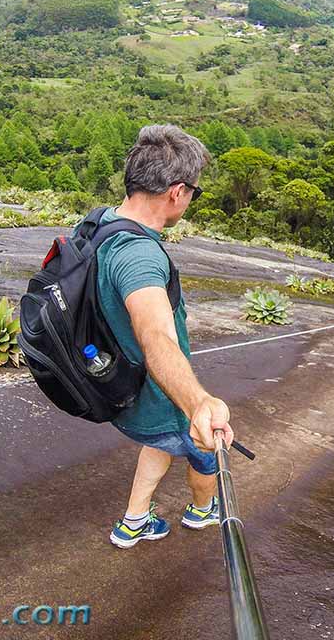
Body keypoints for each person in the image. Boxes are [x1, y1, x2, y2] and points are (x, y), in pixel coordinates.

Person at [87, 124, 235, 549]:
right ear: (177, 192)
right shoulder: (139, 256)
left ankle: (133, 521)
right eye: (195, 193)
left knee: (158, 444)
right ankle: (202, 512)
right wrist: (198, 404)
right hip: (159, 391)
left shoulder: (102, 223)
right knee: (204, 450)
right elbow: (156, 336)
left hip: (127, 388)